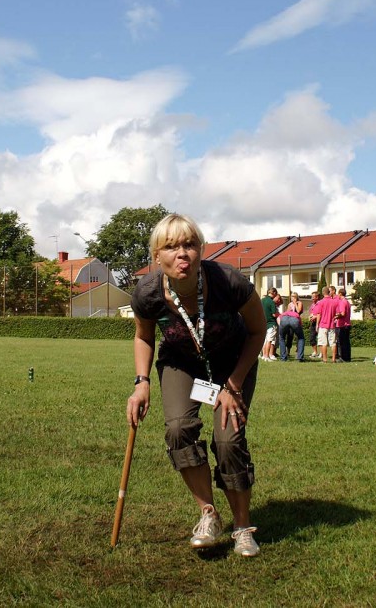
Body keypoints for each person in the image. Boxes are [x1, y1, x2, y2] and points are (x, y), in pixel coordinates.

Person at [127, 213, 266, 557]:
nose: (182, 253)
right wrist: (141, 382)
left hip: (232, 363)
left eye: (189, 244)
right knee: (178, 429)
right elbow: (143, 337)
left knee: (228, 439)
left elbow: (257, 331)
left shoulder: (229, 282)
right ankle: (208, 513)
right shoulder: (147, 293)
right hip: (182, 363)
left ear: (201, 249)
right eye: (171, 246)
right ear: (157, 257)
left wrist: (232, 385)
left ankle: (242, 527)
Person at [278, 292, 305, 362]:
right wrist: (290, 307)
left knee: (297, 338)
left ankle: (285, 357)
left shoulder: (299, 303)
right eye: (292, 296)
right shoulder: (290, 304)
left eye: (294, 296)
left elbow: (298, 311)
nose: (292, 298)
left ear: (296, 297)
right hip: (291, 319)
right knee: (297, 337)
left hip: (293, 319)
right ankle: (291, 355)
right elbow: (287, 312)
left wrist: (295, 303)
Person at [316, 287, 338, 363]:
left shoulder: (320, 302)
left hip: (323, 324)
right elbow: (337, 313)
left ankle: (324, 359)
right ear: (329, 292)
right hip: (332, 325)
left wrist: (317, 324)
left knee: (323, 343)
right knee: (333, 343)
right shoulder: (334, 302)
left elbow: (319, 314)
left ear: (322, 293)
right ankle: (333, 359)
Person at [260, 288, 279, 361]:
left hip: (264, 323)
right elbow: (274, 314)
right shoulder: (271, 302)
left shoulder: (262, 300)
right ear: (273, 293)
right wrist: (280, 315)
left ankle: (264, 355)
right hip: (271, 323)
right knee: (269, 340)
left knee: (265, 340)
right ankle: (267, 356)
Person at [334, 287, 352, 363]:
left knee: (341, 342)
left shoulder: (342, 302)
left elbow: (343, 313)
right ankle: (347, 357)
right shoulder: (347, 302)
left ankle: (342, 357)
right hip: (347, 324)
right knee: (347, 342)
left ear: (340, 294)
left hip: (342, 325)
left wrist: (336, 316)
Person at [307, 291, 321, 358]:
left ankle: (321, 353)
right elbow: (311, 313)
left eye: (313, 297)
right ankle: (315, 352)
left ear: (317, 297)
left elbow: (321, 314)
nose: (312, 298)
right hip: (313, 323)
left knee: (320, 338)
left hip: (320, 323)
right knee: (312, 338)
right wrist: (310, 317)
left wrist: (315, 317)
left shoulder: (320, 304)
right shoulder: (312, 305)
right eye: (311, 297)